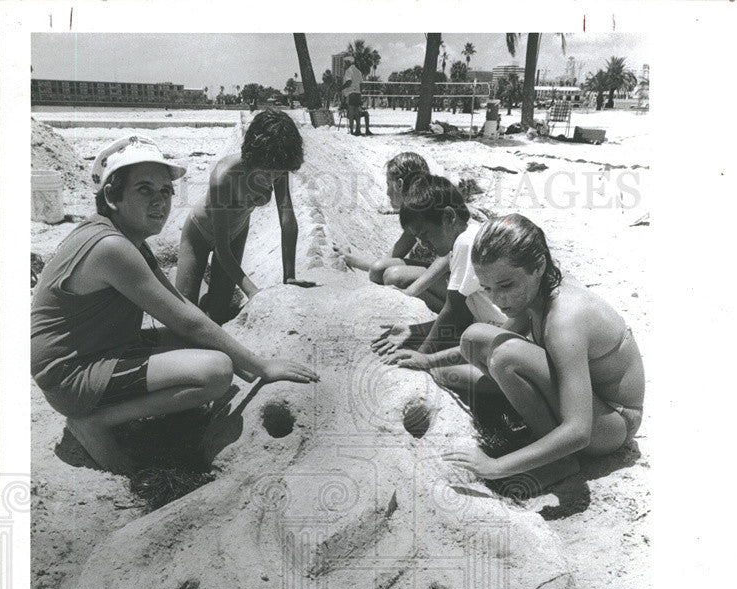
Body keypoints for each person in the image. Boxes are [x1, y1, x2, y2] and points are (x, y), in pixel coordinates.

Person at [31, 135, 318, 476]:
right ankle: (93, 421)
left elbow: (180, 302)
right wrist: (260, 366)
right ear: (112, 196)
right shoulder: (112, 247)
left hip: (93, 351)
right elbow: (186, 320)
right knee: (215, 372)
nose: (160, 201)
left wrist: (242, 357)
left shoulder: (122, 236)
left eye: (166, 191)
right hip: (70, 376)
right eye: (144, 190)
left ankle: (116, 414)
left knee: (209, 350)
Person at [438, 214, 645, 485]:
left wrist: (495, 466)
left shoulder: (564, 321)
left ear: (538, 266)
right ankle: (541, 434)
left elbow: (579, 431)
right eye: (487, 288)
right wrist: (427, 360)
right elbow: (489, 339)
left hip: (613, 424)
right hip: (590, 403)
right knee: (472, 339)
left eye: (506, 285)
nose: (498, 299)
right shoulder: (537, 293)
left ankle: (562, 462)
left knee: (504, 358)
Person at [176, 109, 315, 325]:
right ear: (253, 158)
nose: (272, 180)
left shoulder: (276, 167)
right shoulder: (225, 177)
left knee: (217, 314)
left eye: (277, 174)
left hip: (237, 231)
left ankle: (208, 285)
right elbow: (221, 248)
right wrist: (252, 292)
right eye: (267, 174)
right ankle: (192, 273)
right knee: (184, 314)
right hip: (200, 233)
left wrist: (290, 276)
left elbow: (287, 221)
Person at [375, 174, 506, 391]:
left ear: (448, 217)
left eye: (426, 234)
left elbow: (454, 310)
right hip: (495, 334)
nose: (424, 244)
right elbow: (462, 314)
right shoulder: (469, 236)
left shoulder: (465, 242)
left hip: (503, 343)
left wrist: (423, 355)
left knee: (441, 372)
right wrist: (415, 330)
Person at [343, 153, 449, 313]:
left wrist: (411, 291)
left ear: (399, 184)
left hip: (461, 283)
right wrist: (353, 260)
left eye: (388, 184)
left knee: (394, 277)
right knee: (381, 271)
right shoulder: (416, 209)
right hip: (447, 278)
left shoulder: (430, 208)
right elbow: (386, 261)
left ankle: (451, 313)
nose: (386, 192)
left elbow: (448, 256)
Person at [340, 54, 370, 136]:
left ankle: (352, 131)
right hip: (358, 94)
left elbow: (349, 82)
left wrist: (341, 88)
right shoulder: (358, 71)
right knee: (357, 113)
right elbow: (361, 84)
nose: (344, 65)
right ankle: (358, 130)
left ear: (348, 63)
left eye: (345, 63)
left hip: (351, 94)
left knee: (351, 113)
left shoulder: (348, 70)